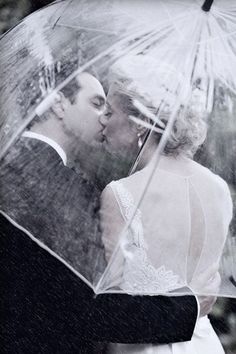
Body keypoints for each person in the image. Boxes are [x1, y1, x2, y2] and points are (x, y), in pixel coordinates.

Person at [0, 67, 200, 353]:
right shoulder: (51, 186)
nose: (106, 117)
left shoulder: (17, 162)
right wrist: (186, 311)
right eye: (96, 104)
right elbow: (87, 305)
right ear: (59, 103)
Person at [99, 55, 233, 353]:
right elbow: (206, 289)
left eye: (109, 111)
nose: (102, 120)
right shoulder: (218, 188)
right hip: (203, 344)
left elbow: (115, 307)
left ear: (140, 122)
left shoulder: (122, 193)